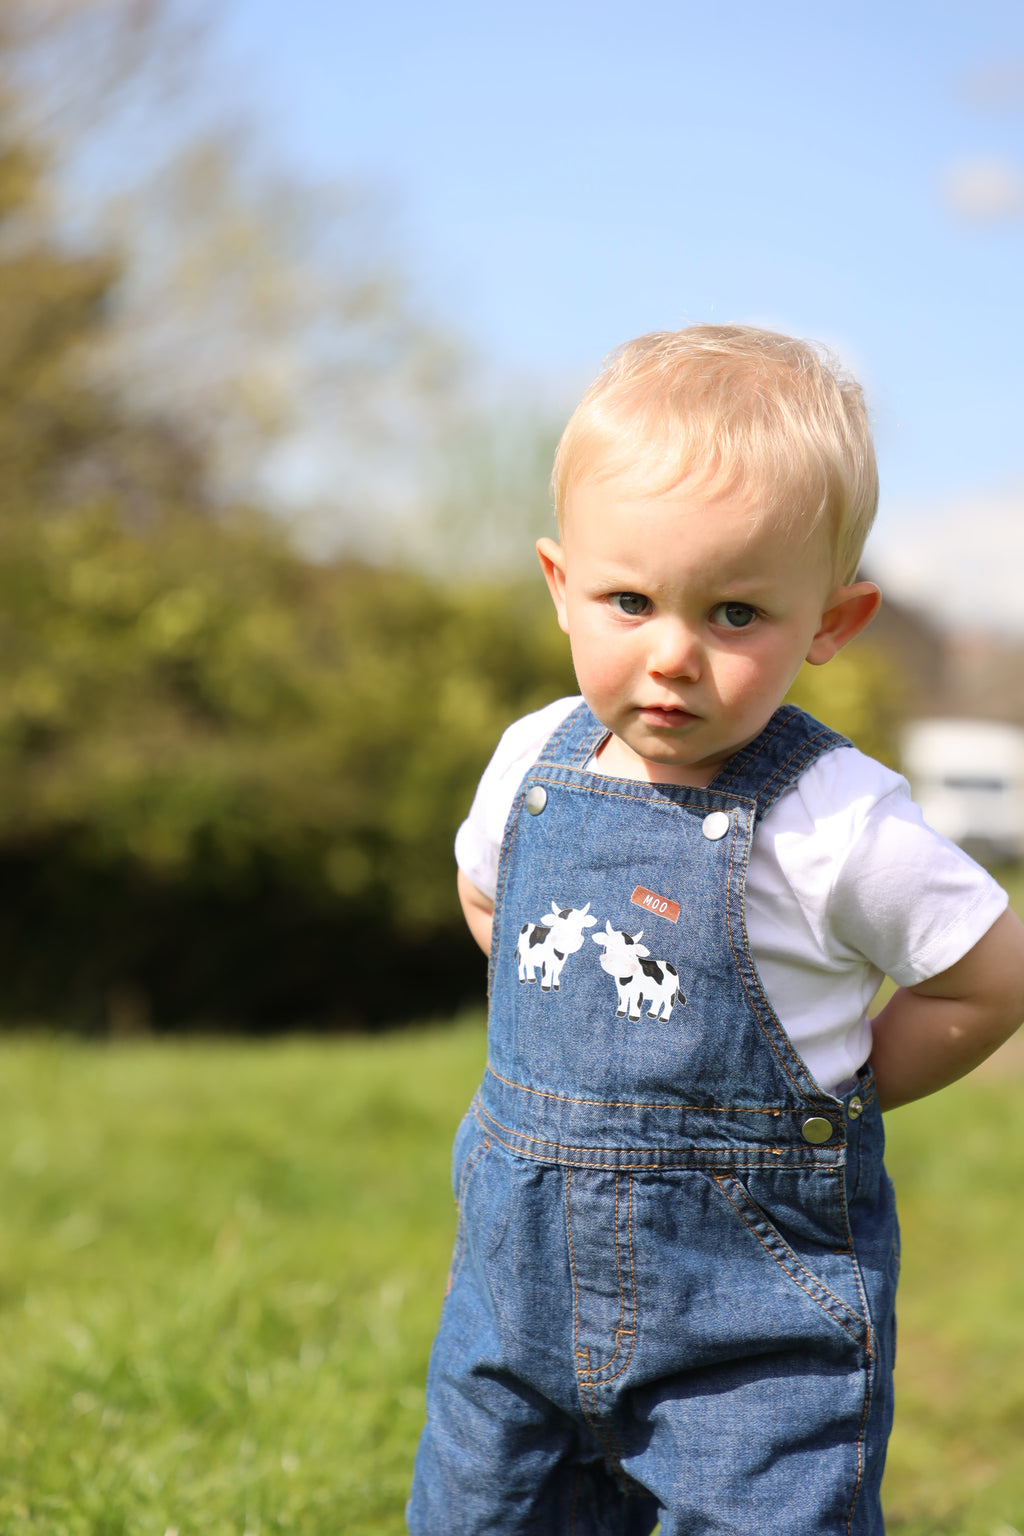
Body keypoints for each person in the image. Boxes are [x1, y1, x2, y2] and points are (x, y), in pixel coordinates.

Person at [407, 325, 1024, 1536]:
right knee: (477, 1515)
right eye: (628, 601)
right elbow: (492, 892)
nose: (672, 656)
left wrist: (835, 1089)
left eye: (735, 613)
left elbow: (989, 978)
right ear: (558, 583)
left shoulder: (835, 818)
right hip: (509, 1297)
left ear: (832, 622)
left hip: (749, 1314)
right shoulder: (533, 756)